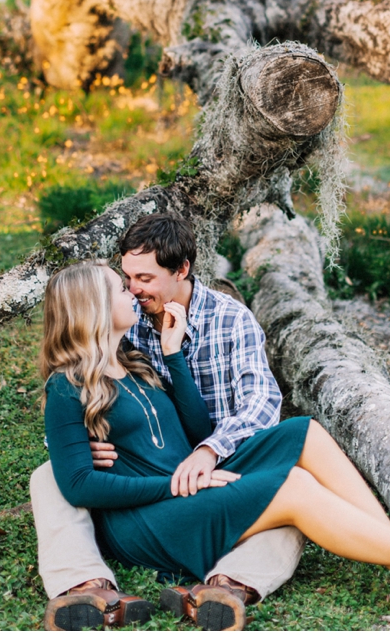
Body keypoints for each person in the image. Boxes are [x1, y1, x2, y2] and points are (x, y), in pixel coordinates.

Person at [40, 257, 390, 626]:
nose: (130, 292)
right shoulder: (67, 386)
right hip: (154, 518)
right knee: (295, 488)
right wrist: (171, 485)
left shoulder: (136, 360)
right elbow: (79, 486)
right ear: (93, 309)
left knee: (303, 432)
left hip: (190, 483)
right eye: (117, 288)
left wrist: (173, 355)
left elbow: (194, 432)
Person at [31, 213, 305, 631]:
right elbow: (74, 414)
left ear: (181, 271)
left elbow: (257, 405)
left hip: (220, 457)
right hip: (155, 488)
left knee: (289, 503)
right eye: (125, 282)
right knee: (49, 475)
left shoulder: (228, 320)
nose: (134, 290)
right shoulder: (126, 330)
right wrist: (79, 447)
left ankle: (227, 587)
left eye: (140, 280)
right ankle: (85, 586)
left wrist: (209, 450)